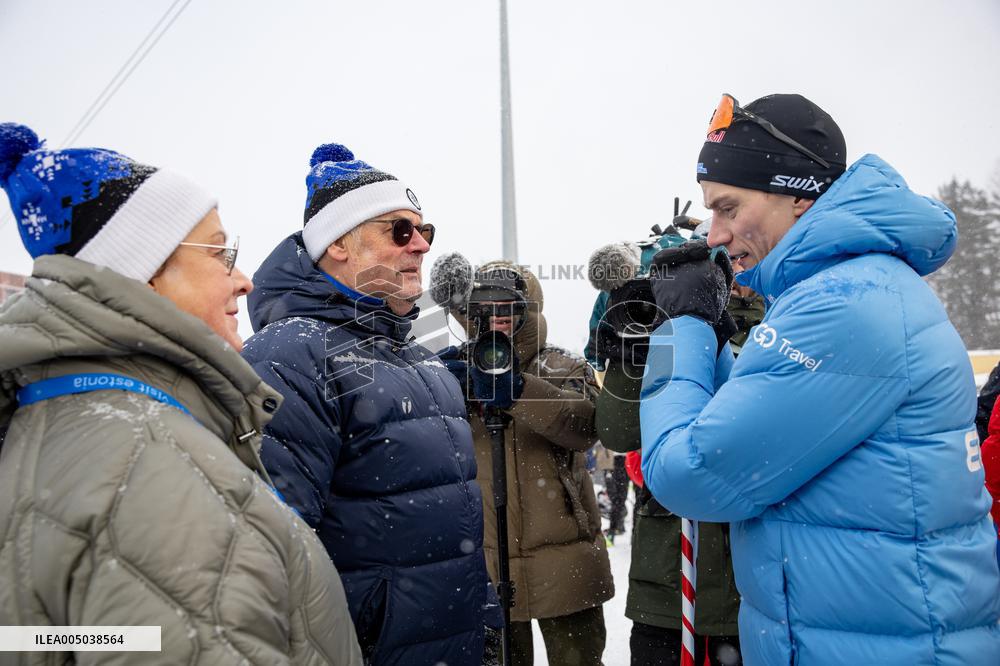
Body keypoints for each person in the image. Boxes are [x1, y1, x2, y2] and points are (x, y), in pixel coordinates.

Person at [639, 94, 1000, 664]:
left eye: (728, 209)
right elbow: (763, 419)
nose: (713, 235)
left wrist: (678, 331)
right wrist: (710, 333)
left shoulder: (846, 304)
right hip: (863, 633)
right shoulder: (841, 288)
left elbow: (688, 472)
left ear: (798, 196)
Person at [0, 123, 361, 664]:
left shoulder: (85, 421)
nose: (244, 280)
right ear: (141, 275)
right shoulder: (147, 465)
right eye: (219, 253)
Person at [241, 143, 489, 666]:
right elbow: (268, 557)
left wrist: (483, 622)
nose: (421, 245)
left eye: (426, 232)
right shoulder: (289, 355)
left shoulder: (423, 358)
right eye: (399, 230)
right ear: (338, 245)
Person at [589, 226, 759, 666]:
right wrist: (631, 352)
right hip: (666, 575)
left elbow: (746, 425)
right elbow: (619, 432)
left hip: (747, 578)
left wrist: (708, 332)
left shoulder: (775, 325)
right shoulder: (657, 331)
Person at [440, 262, 613, 666]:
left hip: (566, 561)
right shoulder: (455, 370)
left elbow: (586, 425)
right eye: (486, 310)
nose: (497, 320)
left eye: (510, 309)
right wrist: (442, 392)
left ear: (530, 311)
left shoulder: (563, 367)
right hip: (484, 560)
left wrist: (517, 390)